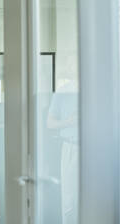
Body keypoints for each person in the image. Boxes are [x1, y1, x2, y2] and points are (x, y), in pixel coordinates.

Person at [47, 80, 79, 224]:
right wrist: (70, 121)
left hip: (96, 148)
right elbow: (50, 123)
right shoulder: (62, 92)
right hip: (71, 147)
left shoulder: (96, 86)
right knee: (70, 200)